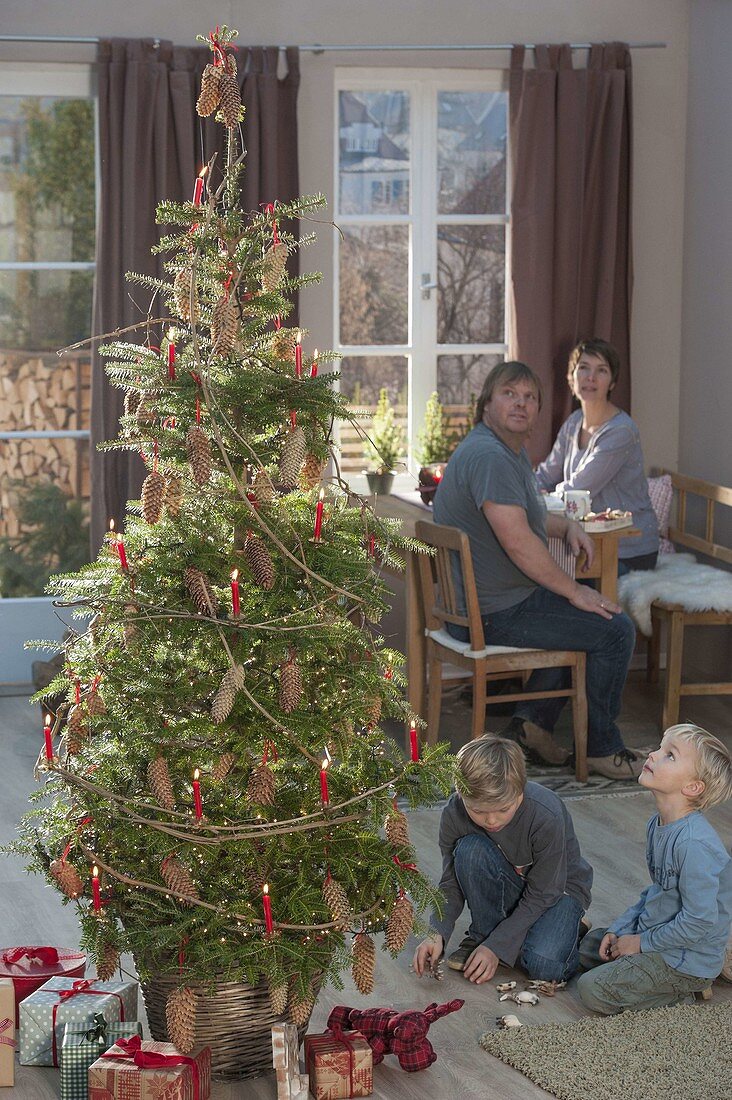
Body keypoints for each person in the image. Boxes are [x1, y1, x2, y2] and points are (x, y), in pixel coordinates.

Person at [432, 359, 641, 780]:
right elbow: (520, 544)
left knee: (579, 617)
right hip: (494, 614)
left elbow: (524, 516)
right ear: (487, 403)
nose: (521, 404)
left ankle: (531, 728)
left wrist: (564, 525)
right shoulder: (491, 457)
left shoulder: (501, 450)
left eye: (530, 397)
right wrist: (574, 591)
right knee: (614, 628)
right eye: (510, 394)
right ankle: (602, 748)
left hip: (489, 605)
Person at [577, 723, 732, 1013]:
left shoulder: (694, 844)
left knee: (591, 989)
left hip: (686, 959)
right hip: (660, 935)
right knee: (590, 947)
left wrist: (639, 943)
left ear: (692, 787)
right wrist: (621, 929)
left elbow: (699, 921)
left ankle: (686, 990)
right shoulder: (658, 824)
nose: (653, 754)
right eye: (660, 747)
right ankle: (637, 964)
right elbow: (657, 891)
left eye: (669, 755)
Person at [412, 736, 593, 985]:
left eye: (503, 809)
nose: (492, 821)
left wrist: (496, 946)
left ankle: (571, 929)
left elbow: (544, 892)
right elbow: (451, 882)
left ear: (520, 791)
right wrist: (436, 933)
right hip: (512, 887)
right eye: (478, 811)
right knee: (469, 850)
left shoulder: (545, 814)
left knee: (546, 968)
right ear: (460, 794)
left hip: (558, 892)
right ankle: (489, 936)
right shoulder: (454, 813)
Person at [535, 338, 659, 575]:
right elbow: (545, 474)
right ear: (572, 378)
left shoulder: (621, 431)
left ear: (612, 383)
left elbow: (578, 490)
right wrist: (522, 491)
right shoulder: (573, 423)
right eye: (584, 368)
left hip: (628, 550)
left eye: (601, 370)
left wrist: (535, 501)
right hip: (587, 542)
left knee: (548, 582)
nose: (590, 377)